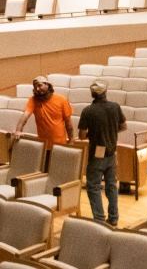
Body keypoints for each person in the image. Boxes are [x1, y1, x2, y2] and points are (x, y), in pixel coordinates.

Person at [77, 81, 124, 225]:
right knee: (111, 186)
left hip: (97, 154)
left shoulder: (88, 111)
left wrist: (95, 133)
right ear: (106, 92)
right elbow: (123, 126)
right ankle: (114, 218)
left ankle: (99, 220)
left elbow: (82, 136)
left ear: (92, 94)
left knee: (93, 186)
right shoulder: (115, 107)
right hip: (112, 151)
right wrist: (109, 131)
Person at [16, 77, 73, 148]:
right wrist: (18, 130)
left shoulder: (62, 100)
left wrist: (71, 141)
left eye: (39, 85)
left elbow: (68, 124)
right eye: (35, 87)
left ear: (47, 85)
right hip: (43, 145)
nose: (37, 89)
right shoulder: (33, 100)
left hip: (60, 145)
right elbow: (25, 116)